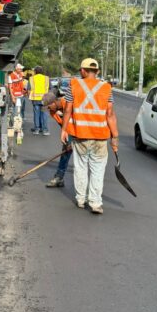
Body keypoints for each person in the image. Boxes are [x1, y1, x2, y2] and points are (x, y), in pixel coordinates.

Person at [61, 58, 118, 214]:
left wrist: (64, 129)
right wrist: (115, 137)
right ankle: (95, 203)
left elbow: (67, 110)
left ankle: (81, 199)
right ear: (97, 71)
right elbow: (110, 114)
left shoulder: (73, 85)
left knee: (80, 167)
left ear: (83, 71)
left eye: (81, 70)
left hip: (81, 135)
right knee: (98, 170)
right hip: (100, 136)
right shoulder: (107, 88)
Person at [43, 92, 74, 188]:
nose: (48, 110)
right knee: (65, 153)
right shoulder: (53, 112)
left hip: (82, 131)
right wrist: (67, 139)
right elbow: (62, 125)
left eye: (48, 107)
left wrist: (74, 140)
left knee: (82, 158)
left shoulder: (69, 103)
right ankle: (59, 177)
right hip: (69, 131)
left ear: (54, 102)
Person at [28, 66, 50, 135]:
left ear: (35, 72)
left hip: (35, 99)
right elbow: (50, 88)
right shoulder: (46, 78)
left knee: (36, 114)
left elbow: (29, 89)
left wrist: (30, 98)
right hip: (45, 99)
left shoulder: (31, 78)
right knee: (44, 115)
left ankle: (37, 129)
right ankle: (45, 130)